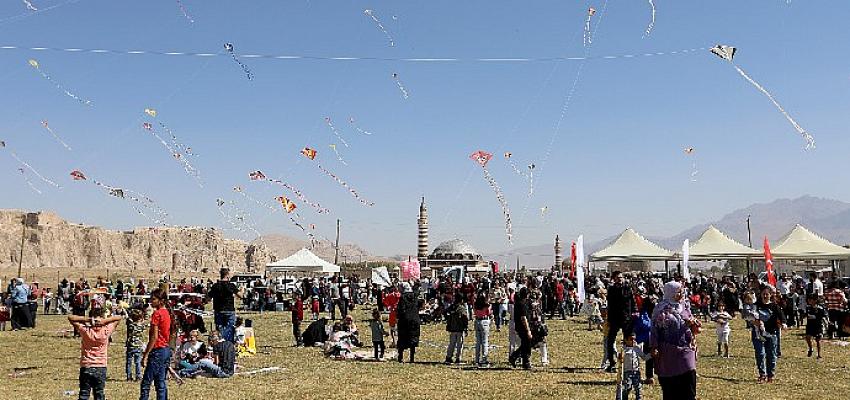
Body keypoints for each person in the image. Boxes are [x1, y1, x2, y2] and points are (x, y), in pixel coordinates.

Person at [650, 281, 698, 400]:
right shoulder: (660, 309)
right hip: (668, 352)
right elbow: (654, 329)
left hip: (686, 350)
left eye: (682, 290)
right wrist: (654, 346)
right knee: (670, 389)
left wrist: (694, 324)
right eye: (678, 291)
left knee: (689, 385)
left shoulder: (685, 305)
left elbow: (690, 320)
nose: (681, 293)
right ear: (671, 292)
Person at [69, 308, 122, 400]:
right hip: (101, 366)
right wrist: (105, 321)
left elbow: (70, 318)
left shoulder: (86, 331)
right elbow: (118, 318)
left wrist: (88, 320)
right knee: (99, 393)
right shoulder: (106, 331)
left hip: (86, 366)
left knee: (84, 394)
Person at [140, 288, 172, 400]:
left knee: (146, 382)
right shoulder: (167, 312)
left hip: (158, 350)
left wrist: (145, 355)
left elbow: (154, 337)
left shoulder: (157, 314)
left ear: (161, 300)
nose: (151, 301)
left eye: (153, 299)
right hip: (166, 349)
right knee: (160, 382)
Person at [751, 286, 786, 383]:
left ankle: (770, 375)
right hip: (758, 334)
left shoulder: (774, 306)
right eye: (763, 294)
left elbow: (782, 316)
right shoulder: (756, 305)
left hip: (771, 334)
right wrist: (754, 322)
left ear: (771, 295)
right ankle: (762, 374)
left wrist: (783, 323)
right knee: (760, 354)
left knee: (771, 355)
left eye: (767, 294)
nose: (765, 296)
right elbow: (748, 316)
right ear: (761, 294)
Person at [606, 271, 635, 373]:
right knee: (610, 341)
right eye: (618, 277)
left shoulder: (628, 288)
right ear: (613, 278)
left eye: (621, 277)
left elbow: (632, 302)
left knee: (628, 341)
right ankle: (611, 362)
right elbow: (610, 305)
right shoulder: (611, 289)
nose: (620, 279)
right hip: (614, 319)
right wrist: (609, 319)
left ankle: (628, 363)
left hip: (626, 319)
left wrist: (634, 313)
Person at [206, 268, 241, 343]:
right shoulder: (231, 285)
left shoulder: (215, 286)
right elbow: (240, 295)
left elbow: (208, 299)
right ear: (227, 275)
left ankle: (220, 346)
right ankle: (229, 346)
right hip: (229, 310)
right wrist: (241, 290)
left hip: (219, 310)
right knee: (230, 329)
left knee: (220, 330)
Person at [617, 334, 651, 400]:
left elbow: (644, 357)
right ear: (626, 340)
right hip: (627, 372)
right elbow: (619, 359)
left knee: (638, 388)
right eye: (631, 339)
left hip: (636, 372)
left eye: (634, 339)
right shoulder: (623, 349)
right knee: (627, 387)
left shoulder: (637, 348)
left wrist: (651, 355)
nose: (633, 341)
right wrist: (620, 358)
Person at [395, 282, 421, 363]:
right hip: (415, 319)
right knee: (413, 338)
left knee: (402, 338)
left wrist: (398, 316)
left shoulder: (402, 298)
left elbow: (401, 310)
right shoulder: (415, 296)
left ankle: (401, 357)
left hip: (404, 320)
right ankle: (412, 358)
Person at [508, 287, 533, 370]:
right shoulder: (522, 304)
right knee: (527, 344)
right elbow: (523, 318)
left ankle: (516, 357)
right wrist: (528, 330)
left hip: (519, 326)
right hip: (523, 327)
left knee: (525, 344)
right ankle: (524, 361)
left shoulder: (519, 303)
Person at [445, 299, 469, 364]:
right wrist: (466, 328)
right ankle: (458, 358)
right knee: (459, 345)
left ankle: (448, 357)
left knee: (451, 344)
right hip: (460, 329)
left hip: (452, 328)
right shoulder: (462, 308)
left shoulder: (451, 307)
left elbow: (445, 312)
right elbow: (465, 318)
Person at [804, 293, 827, 359]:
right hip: (809, 325)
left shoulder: (820, 308)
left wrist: (826, 324)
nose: (809, 301)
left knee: (818, 340)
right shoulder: (808, 307)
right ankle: (810, 349)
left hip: (817, 326)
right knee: (807, 337)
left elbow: (823, 316)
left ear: (815, 300)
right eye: (808, 300)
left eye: (810, 300)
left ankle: (819, 354)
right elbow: (806, 314)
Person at [126, 308, 147, 381]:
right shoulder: (141, 326)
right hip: (138, 346)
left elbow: (128, 320)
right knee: (137, 362)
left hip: (130, 345)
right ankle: (138, 376)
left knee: (129, 362)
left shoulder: (131, 325)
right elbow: (145, 325)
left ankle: (129, 376)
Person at [473, 291, 492, 367]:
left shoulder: (475, 304)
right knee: (484, 341)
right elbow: (488, 313)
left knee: (478, 342)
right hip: (484, 321)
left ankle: (477, 360)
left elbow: (474, 311)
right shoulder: (486, 305)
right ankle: (484, 360)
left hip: (477, 321)